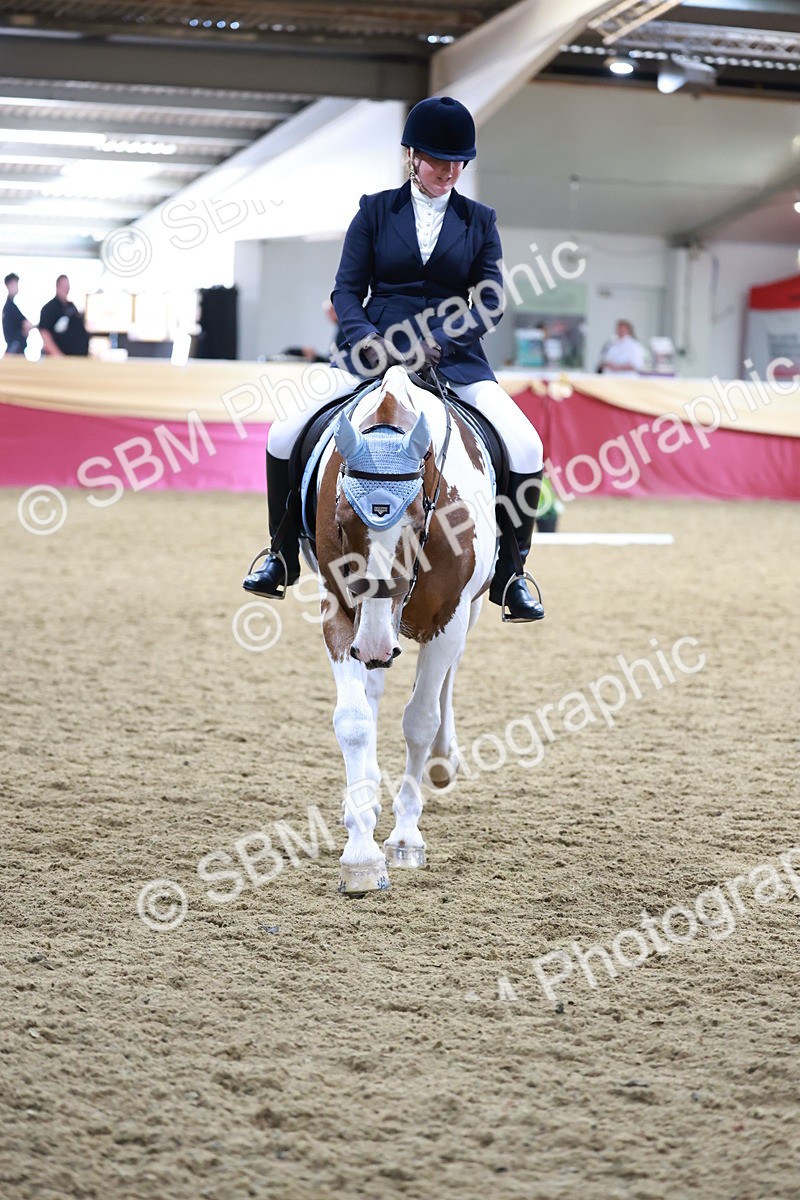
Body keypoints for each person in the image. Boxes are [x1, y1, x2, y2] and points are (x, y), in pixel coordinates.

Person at [243, 95, 545, 622]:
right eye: (437, 160)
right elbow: (344, 291)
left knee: (526, 445)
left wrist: (443, 343)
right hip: (371, 352)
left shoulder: (480, 220)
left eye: (457, 162)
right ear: (412, 155)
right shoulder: (375, 210)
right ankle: (281, 555)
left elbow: (491, 300)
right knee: (283, 432)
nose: (449, 171)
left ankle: (512, 575)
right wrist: (373, 343)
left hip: (453, 360)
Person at [38, 275, 89, 357]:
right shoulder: (49, 308)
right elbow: (45, 333)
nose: (66, 289)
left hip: (78, 357)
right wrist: (58, 356)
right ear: (57, 286)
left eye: (67, 286)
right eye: (63, 286)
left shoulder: (71, 306)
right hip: (60, 359)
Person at [2, 273, 31, 355]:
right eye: (15, 284)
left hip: (16, 348)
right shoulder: (10, 306)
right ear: (9, 285)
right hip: (14, 349)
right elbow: (27, 324)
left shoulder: (11, 306)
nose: (17, 287)